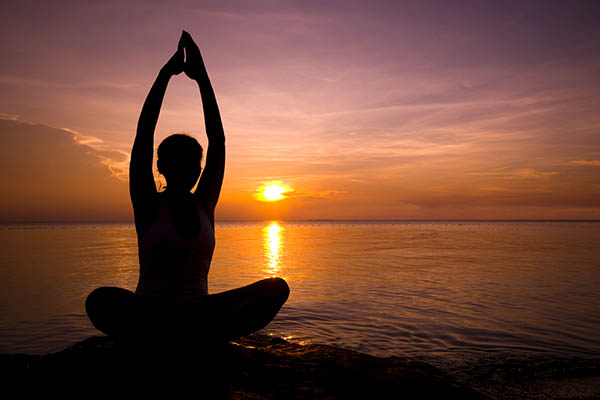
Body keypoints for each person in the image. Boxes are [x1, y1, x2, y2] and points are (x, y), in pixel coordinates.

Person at [85, 31, 289, 345]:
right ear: (161, 167)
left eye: (194, 164)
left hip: (199, 312)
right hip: (149, 312)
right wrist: (165, 74)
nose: (189, 170)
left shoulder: (204, 204)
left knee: (277, 288)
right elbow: (143, 137)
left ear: (198, 168)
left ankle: (190, 335)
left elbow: (217, 141)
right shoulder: (148, 204)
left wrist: (202, 77)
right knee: (99, 300)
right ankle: (172, 337)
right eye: (179, 163)